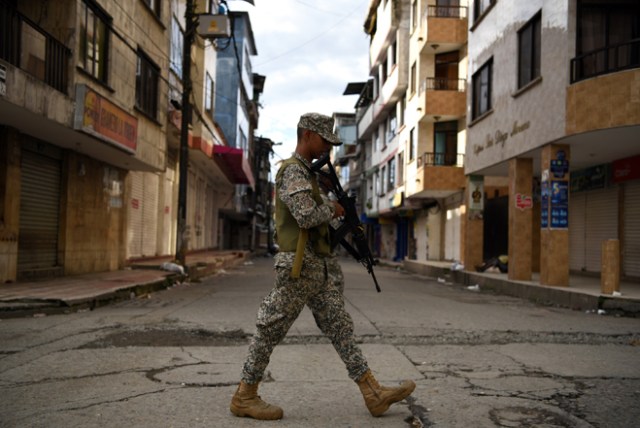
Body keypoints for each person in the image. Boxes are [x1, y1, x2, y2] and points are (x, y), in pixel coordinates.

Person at [230, 113, 416, 420]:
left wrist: (338, 214)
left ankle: (373, 393)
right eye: (324, 140)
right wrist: (333, 206)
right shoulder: (292, 171)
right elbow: (304, 215)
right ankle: (245, 395)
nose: (328, 148)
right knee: (270, 329)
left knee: (341, 329)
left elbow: (318, 218)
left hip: (318, 268)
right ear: (306, 135)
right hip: (298, 267)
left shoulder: (310, 175)